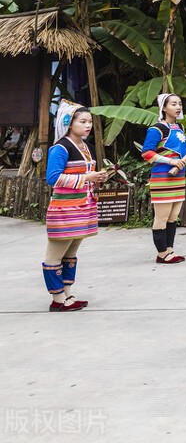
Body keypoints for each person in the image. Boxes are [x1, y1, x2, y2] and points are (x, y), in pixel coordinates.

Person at [41, 101, 107, 311]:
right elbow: (52, 178)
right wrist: (87, 176)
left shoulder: (86, 147)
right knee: (55, 254)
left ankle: (67, 294)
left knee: (71, 252)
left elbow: (84, 175)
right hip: (65, 208)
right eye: (83, 121)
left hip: (83, 206)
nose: (88, 125)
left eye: (89, 121)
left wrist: (97, 178)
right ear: (69, 123)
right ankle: (57, 299)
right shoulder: (60, 148)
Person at [140, 93, 186, 264]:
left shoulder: (179, 128)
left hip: (178, 177)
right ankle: (162, 253)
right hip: (163, 177)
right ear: (164, 108)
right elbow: (147, 153)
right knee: (161, 217)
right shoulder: (157, 129)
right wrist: (170, 161)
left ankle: (169, 250)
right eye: (173, 104)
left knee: (173, 216)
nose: (178, 107)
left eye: (180, 104)